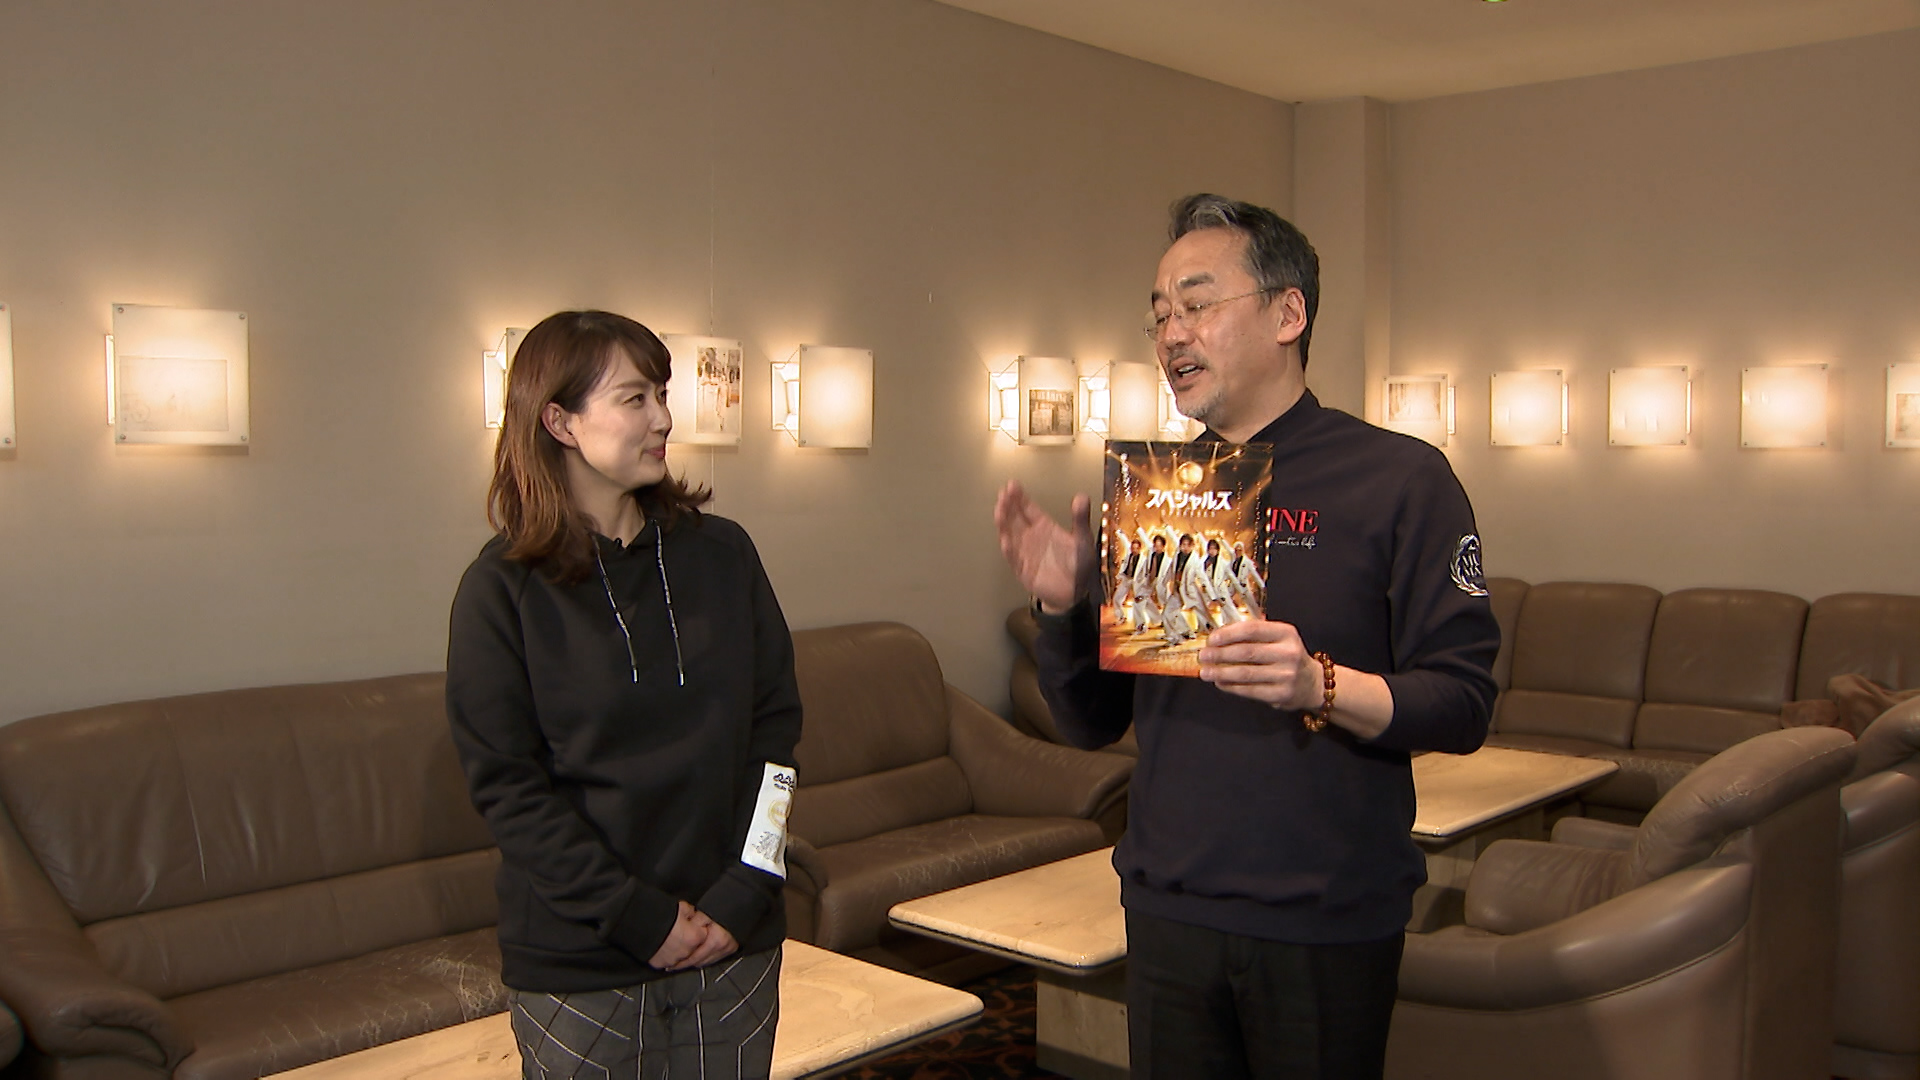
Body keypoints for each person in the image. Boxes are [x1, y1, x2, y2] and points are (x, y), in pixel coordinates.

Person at [994, 194, 1498, 1080]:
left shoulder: (1399, 479)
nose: (1171, 334)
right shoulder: (1159, 491)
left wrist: (1319, 685)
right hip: (1169, 906)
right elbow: (1090, 722)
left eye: (1196, 304)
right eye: (1159, 314)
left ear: (1287, 314)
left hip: (1326, 915)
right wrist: (1064, 608)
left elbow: (1463, 703)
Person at [446, 310, 802, 1080]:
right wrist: (636, 916)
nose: (664, 419)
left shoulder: (724, 555)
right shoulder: (500, 590)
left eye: (662, 395)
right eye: (634, 399)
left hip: (733, 945)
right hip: (583, 964)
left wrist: (747, 888)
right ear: (560, 422)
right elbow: (510, 791)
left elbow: (777, 743)